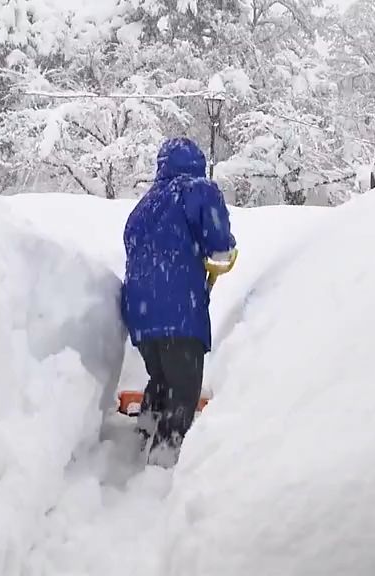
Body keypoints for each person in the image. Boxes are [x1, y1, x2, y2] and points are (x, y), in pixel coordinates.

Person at [120, 137, 236, 467]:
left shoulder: (144, 205)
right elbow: (218, 242)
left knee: (162, 380)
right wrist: (222, 248)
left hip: (140, 315)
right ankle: (162, 460)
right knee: (184, 391)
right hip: (179, 311)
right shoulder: (199, 190)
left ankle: (141, 434)